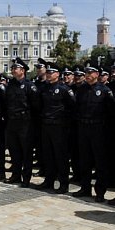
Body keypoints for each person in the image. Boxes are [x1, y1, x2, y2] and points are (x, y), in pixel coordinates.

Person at [72, 63, 114, 203]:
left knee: (100, 162)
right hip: (84, 129)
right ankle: (85, 188)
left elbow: (111, 113)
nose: (88, 75)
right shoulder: (81, 90)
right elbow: (76, 108)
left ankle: (100, 191)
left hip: (99, 131)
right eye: (86, 73)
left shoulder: (105, 91)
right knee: (84, 160)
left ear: (97, 74)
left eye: (91, 73)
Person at [35, 62, 75, 194]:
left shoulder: (64, 89)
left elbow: (72, 107)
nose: (48, 74)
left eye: (51, 72)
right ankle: (49, 181)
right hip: (46, 126)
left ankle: (63, 184)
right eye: (47, 72)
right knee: (48, 155)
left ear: (57, 74)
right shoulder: (44, 88)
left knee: (60, 156)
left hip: (59, 128)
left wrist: (65, 123)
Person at [4, 57, 39, 188]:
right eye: (12, 68)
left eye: (15, 68)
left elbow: (36, 106)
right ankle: (16, 175)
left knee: (26, 152)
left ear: (22, 70)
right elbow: (6, 104)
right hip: (12, 122)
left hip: (25, 124)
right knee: (14, 151)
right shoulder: (10, 85)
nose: (13, 70)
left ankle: (26, 177)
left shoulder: (30, 86)